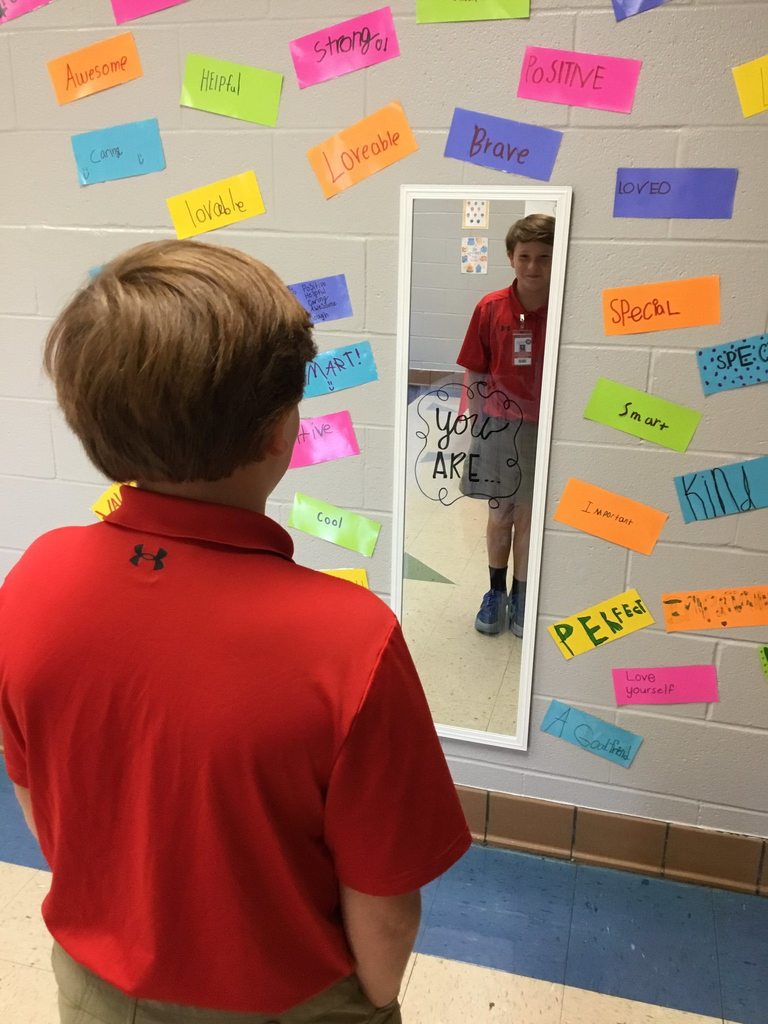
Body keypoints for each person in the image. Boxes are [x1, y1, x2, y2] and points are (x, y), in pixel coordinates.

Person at [0, 240, 471, 1024]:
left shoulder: (31, 583)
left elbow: (39, 802)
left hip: (95, 990)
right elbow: (385, 908)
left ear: (91, 424)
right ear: (278, 434)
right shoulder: (351, 641)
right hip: (290, 1004)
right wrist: (373, 1006)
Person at [456, 214, 555, 637]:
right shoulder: (490, 307)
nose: (533, 267)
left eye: (544, 258)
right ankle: (495, 591)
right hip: (496, 427)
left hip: (544, 429)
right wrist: (475, 425)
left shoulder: (568, 307)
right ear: (511, 258)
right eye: (525, 257)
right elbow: (475, 372)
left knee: (530, 519)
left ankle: (521, 593)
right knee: (500, 516)